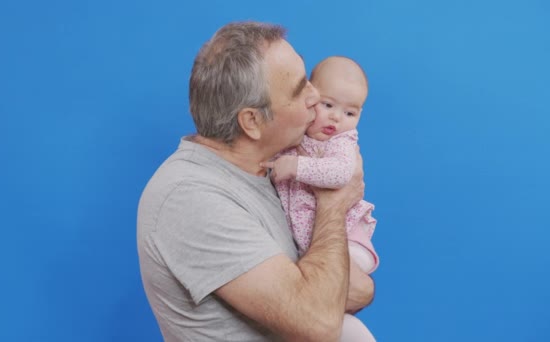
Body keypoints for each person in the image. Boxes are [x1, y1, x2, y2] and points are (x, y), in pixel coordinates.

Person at [137, 21, 375, 341]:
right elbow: (319, 321)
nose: (315, 95)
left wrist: (338, 286)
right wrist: (333, 200)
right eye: (299, 88)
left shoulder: (269, 171)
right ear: (252, 121)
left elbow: (357, 289)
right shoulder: (190, 198)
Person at [261, 56, 378, 341]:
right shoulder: (300, 135)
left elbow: (341, 174)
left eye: (350, 113)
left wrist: (295, 167)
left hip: (348, 241)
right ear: (311, 97)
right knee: (330, 316)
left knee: (324, 297)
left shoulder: (342, 142)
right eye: (328, 106)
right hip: (312, 244)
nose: (337, 119)